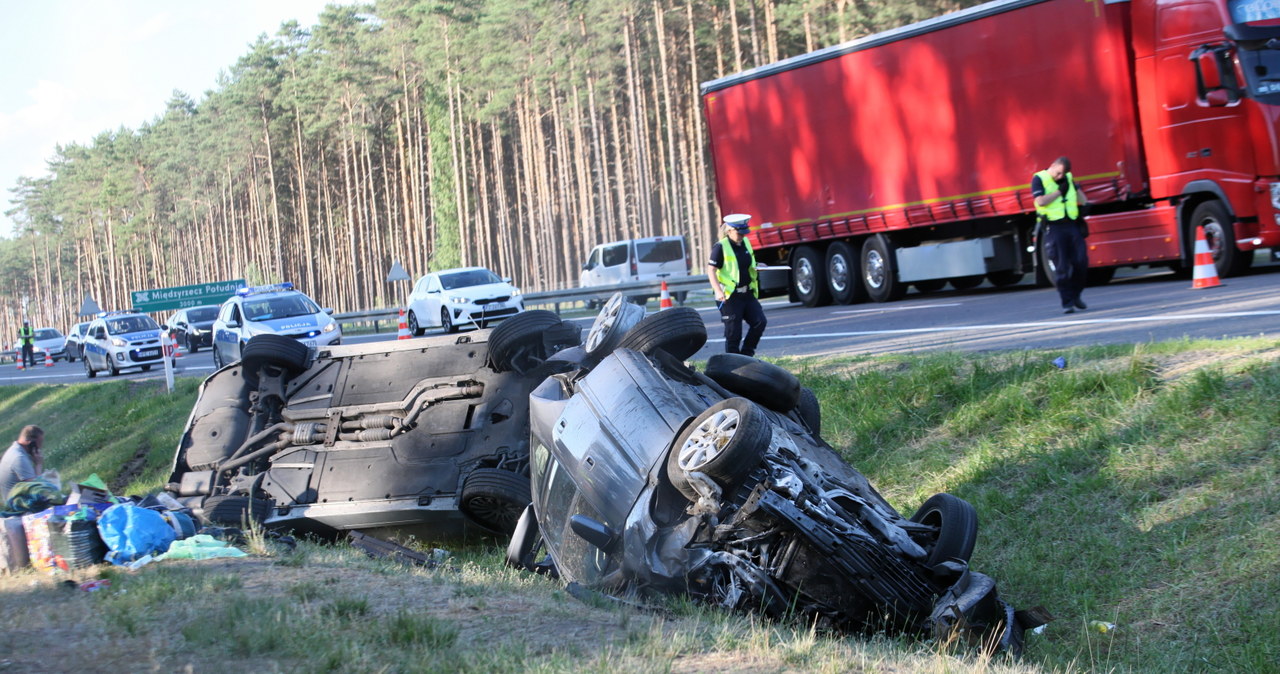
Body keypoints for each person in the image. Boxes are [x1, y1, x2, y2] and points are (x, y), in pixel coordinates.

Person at [1032, 156, 1090, 314]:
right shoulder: (1039, 178)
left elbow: (1078, 193)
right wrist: (1059, 192)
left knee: (1081, 262)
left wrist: (1085, 204)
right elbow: (1041, 202)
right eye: (1058, 173)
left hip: (1071, 225)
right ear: (1053, 166)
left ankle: (1076, 295)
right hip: (1054, 228)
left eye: (1063, 174)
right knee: (1062, 267)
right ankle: (1067, 302)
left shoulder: (1068, 177)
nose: (1060, 177)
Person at [707, 213, 767, 356]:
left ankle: (746, 356)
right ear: (729, 231)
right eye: (739, 233)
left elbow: (745, 264)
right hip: (729, 296)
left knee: (759, 322)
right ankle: (732, 363)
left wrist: (758, 265)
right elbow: (711, 270)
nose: (742, 236)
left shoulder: (746, 243)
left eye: (744, 233)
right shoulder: (720, 247)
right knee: (734, 333)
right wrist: (718, 291)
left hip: (747, 293)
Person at [1, 425, 44, 500]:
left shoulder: (14, 451)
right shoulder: (19, 458)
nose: (39, 447)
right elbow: (37, 490)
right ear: (30, 442)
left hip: (17, 501)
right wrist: (38, 465)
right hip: (21, 508)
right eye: (38, 444)